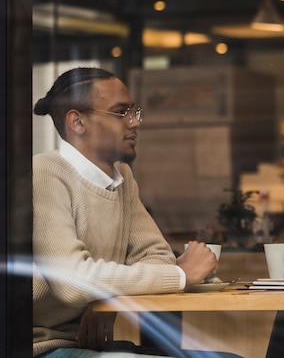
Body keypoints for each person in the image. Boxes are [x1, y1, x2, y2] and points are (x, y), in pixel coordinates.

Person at [32, 67, 233, 358]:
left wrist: (105, 299)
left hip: (86, 345)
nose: (135, 122)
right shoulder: (45, 174)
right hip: (42, 349)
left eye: (134, 111)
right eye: (121, 112)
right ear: (77, 121)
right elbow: (73, 282)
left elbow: (157, 256)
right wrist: (180, 275)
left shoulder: (121, 177)